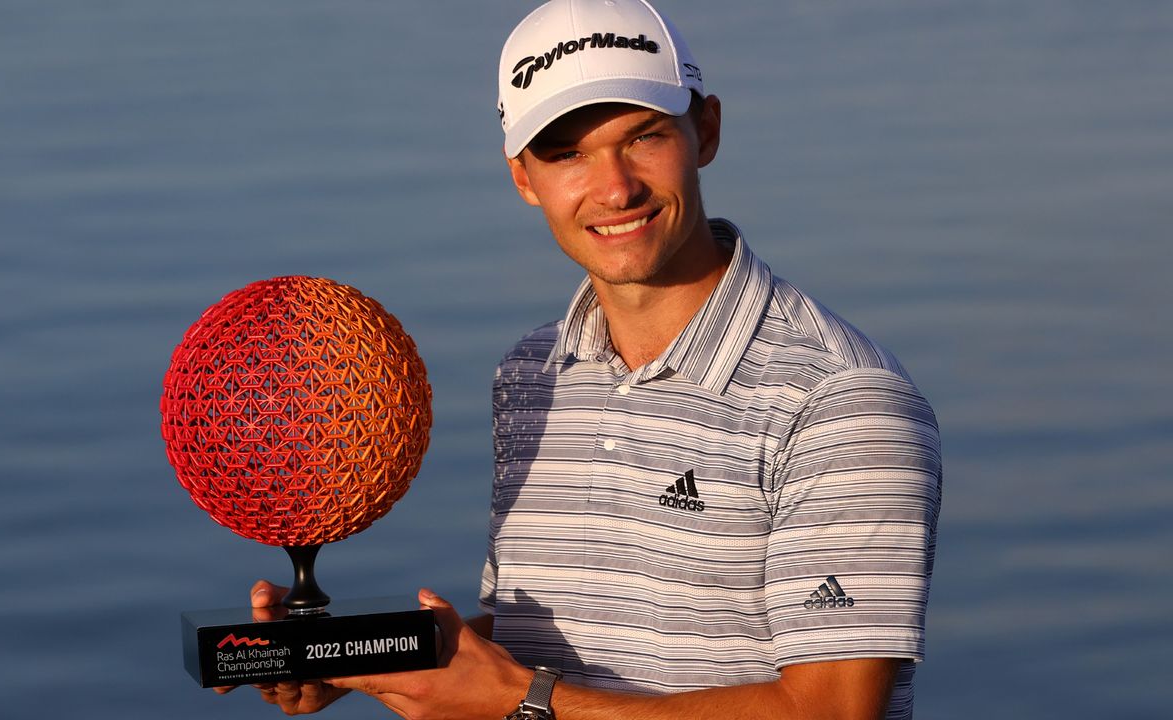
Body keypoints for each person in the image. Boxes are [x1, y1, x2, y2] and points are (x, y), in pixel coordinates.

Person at [219, 0, 942, 717]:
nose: (616, 187)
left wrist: (522, 705)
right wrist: (359, 662)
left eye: (644, 137)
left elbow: (834, 711)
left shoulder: (841, 399)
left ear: (707, 131)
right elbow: (557, 637)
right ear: (523, 178)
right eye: (566, 153)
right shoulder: (532, 374)